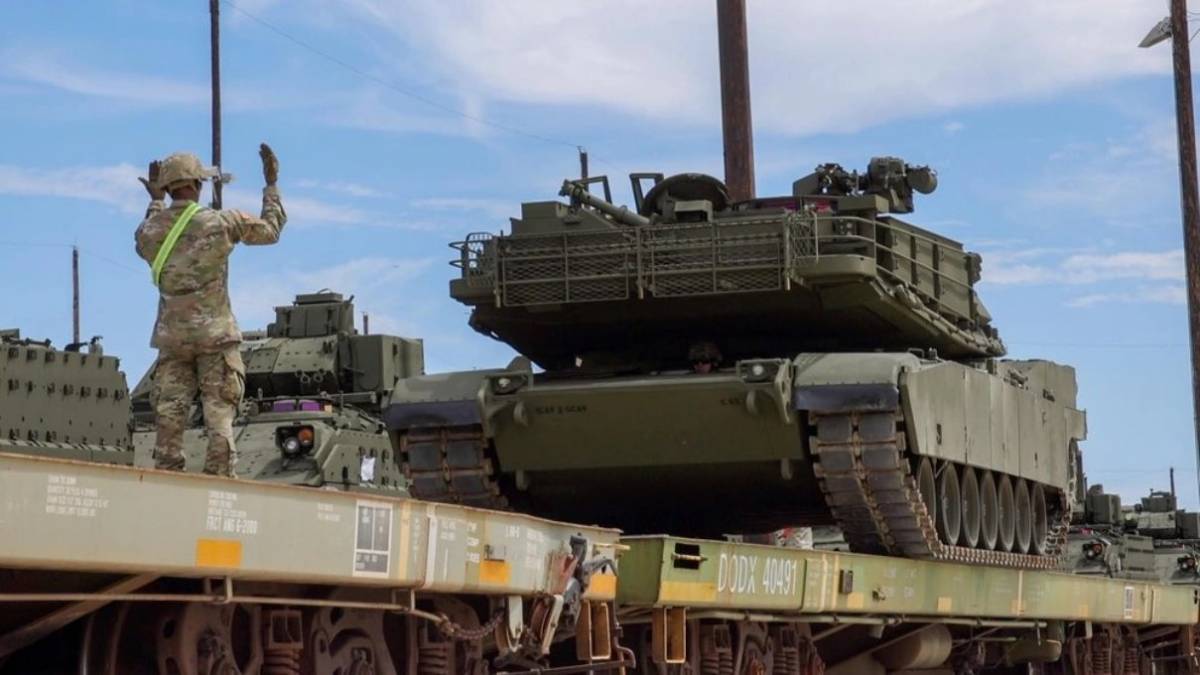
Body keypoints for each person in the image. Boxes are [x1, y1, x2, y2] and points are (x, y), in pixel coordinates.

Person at [135, 144, 286, 476]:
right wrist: (271, 184)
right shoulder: (222, 222)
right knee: (219, 417)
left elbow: (145, 238)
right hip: (215, 338)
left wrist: (155, 201)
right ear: (198, 185)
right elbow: (271, 231)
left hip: (172, 341)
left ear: (168, 185)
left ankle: (169, 484)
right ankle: (218, 484)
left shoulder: (150, 231)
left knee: (169, 422)